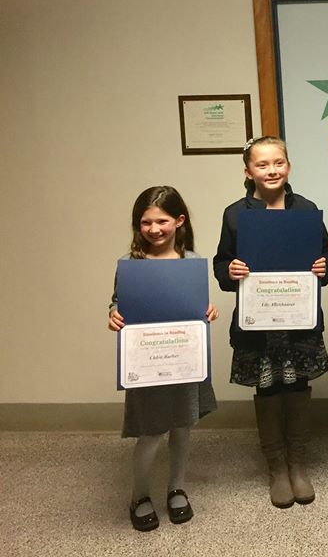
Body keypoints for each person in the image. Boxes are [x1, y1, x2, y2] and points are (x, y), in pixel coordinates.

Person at [213, 136, 328, 509]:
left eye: (278, 162)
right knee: (267, 389)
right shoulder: (235, 214)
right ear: (248, 172)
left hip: (298, 321)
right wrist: (230, 271)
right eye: (262, 165)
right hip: (259, 324)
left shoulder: (307, 208)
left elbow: (324, 265)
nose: (271, 170)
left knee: (296, 387)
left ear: (289, 166)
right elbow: (221, 266)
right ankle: (276, 466)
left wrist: (322, 267)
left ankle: (298, 463)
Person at [108, 186, 218, 532]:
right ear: (137, 225)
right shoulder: (130, 265)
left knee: (183, 428)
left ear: (179, 221)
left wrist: (208, 311)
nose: (154, 229)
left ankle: (177, 488)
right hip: (147, 364)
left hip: (184, 362)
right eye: (146, 222)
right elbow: (116, 303)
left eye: (162, 221)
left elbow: (196, 307)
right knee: (151, 433)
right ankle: (139, 496)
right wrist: (113, 314)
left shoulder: (191, 262)